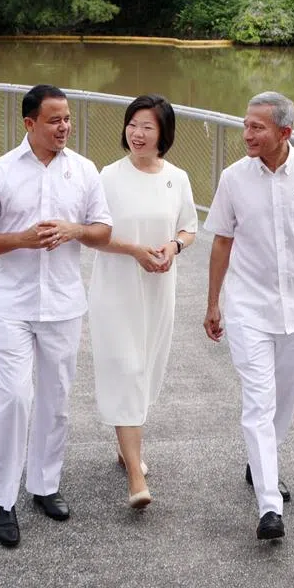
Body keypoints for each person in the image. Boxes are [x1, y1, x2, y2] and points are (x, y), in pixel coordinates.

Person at [0, 84, 113, 548]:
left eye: (67, 118)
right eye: (54, 120)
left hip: (65, 304)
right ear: (29, 124)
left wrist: (75, 230)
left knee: (57, 398)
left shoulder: (84, 171)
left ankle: (45, 485)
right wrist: (21, 239)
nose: (64, 126)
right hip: (12, 304)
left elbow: (104, 232)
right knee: (13, 397)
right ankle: (3, 500)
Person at [203, 91, 294, 541]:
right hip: (248, 307)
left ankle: (261, 462)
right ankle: (269, 506)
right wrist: (213, 302)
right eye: (245, 126)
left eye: (257, 127)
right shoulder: (233, 178)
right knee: (259, 402)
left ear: (284, 132)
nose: (247, 134)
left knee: (284, 400)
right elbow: (221, 241)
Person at [88, 94, 198, 509]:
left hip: (157, 290)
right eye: (133, 124)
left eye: (147, 127)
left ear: (163, 133)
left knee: (146, 371)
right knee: (127, 369)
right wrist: (135, 250)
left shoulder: (178, 178)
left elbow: (189, 227)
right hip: (117, 290)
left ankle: (125, 446)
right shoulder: (108, 176)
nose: (138, 133)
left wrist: (173, 247)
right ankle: (136, 476)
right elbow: (93, 233)